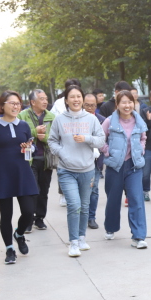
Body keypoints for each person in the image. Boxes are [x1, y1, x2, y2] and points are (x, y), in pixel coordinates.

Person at [0, 90, 39, 265]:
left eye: (18, 103)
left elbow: (32, 149)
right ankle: (9, 249)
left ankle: (18, 234)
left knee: (28, 212)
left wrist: (29, 148)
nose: (16, 106)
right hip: (3, 174)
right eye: (12, 103)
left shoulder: (24, 126)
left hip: (22, 173)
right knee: (6, 215)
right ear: (2, 105)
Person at [48, 85, 106, 257]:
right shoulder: (59, 120)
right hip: (66, 169)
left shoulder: (91, 119)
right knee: (74, 205)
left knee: (85, 206)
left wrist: (86, 138)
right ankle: (73, 242)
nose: (76, 100)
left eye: (78, 96)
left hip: (87, 170)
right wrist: (62, 153)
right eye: (72, 97)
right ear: (66, 100)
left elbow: (101, 140)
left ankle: (81, 238)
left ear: (82, 99)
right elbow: (52, 141)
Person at [101, 90, 149, 249]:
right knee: (113, 200)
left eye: (130, 102)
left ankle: (138, 236)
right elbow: (100, 139)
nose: (127, 105)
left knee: (136, 199)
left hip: (134, 166)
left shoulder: (139, 121)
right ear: (117, 104)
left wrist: (141, 150)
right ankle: (110, 227)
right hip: (115, 166)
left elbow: (143, 138)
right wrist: (108, 151)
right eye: (123, 102)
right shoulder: (109, 121)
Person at [18, 89, 55, 232]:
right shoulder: (22, 115)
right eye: (41, 99)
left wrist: (44, 137)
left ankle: (40, 218)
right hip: (29, 159)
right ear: (33, 102)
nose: (45, 101)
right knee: (32, 190)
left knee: (44, 191)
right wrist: (35, 132)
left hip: (46, 159)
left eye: (46, 98)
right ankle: (28, 219)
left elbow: (56, 137)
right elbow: (20, 135)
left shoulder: (51, 116)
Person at [51, 78, 82, 207]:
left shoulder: (81, 100)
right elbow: (52, 118)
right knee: (64, 167)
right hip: (64, 140)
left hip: (80, 141)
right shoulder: (59, 103)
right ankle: (63, 194)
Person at [83, 93, 106, 229]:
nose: (89, 108)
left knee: (94, 189)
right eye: (87, 105)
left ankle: (91, 217)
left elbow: (106, 140)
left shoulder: (102, 120)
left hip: (96, 161)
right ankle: (81, 215)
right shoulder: (76, 120)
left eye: (92, 105)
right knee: (81, 190)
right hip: (79, 161)